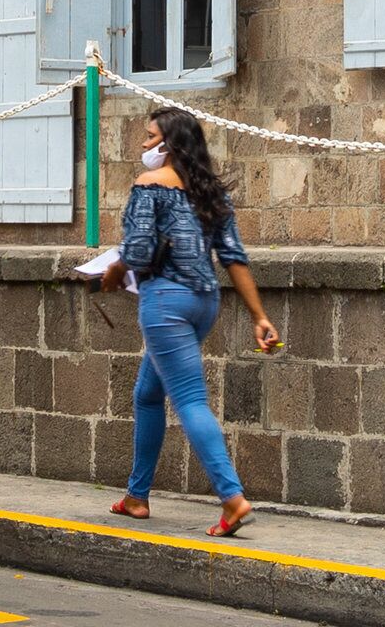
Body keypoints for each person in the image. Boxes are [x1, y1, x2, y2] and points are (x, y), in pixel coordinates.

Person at [103, 110, 276, 538]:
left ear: (170, 146)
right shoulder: (210, 192)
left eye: (150, 138)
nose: (143, 146)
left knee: (190, 400)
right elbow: (233, 256)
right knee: (147, 393)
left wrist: (111, 272)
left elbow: (139, 252)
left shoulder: (149, 187)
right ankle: (136, 497)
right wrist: (260, 316)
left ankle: (233, 499)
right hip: (204, 302)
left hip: (164, 303)